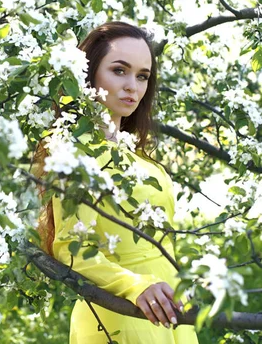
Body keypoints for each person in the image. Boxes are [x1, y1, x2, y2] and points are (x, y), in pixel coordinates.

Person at [36, 22, 199, 343]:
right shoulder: (74, 155)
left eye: (142, 76)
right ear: (89, 74)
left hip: (172, 312)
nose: (132, 86)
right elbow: (71, 251)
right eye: (119, 70)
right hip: (122, 315)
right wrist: (136, 286)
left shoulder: (141, 158)